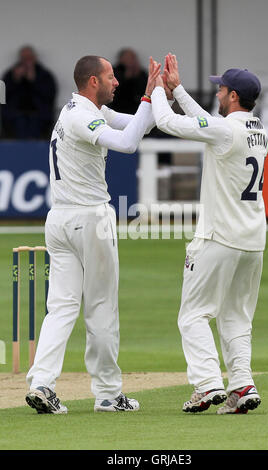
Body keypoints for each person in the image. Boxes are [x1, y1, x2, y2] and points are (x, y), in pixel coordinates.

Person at [25, 55, 161, 414]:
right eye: (111, 76)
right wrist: (149, 100)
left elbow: (135, 126)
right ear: (93, 82)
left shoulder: (79, 108)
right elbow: (129, 145)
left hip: (59, 221)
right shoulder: (82, 116)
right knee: (101, 307)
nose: (117, 82)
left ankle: (41, 383)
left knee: (61, 307)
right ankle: (108, 394)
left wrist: (153, 96)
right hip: (90, 219)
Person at [151, 54, 268, 414]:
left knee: (193, 315)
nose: (217, 91)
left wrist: (158, 91)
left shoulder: (225, 131)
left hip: (219, 237)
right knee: (236, 316)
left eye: (220, 88)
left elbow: (166, 121)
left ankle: (206, 385)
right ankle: (242, 385)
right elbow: (208, 122)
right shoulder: (257, 129)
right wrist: (179, 89)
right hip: (253, 241)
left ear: (232, 96)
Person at [1, 46, 57, 139]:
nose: (27, 62)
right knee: (19, 123)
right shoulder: (10, 75)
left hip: (39, 114)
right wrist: (15, 80)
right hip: (15, 114)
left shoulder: (45, 75)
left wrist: (34, 81)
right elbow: (4, 96)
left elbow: (49, 95)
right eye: (24, 59)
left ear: (34, 58)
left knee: (35, 124)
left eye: (29, 58)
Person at [111, 48, 148, 114]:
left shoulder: (141, 72)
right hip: (117, 107)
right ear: (121, 58)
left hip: (135, 109)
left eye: (133, 57)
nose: (131, 60)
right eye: (128, 57)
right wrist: (126, 77)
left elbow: (145, 90)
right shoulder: (114, 71)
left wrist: (137, 76)